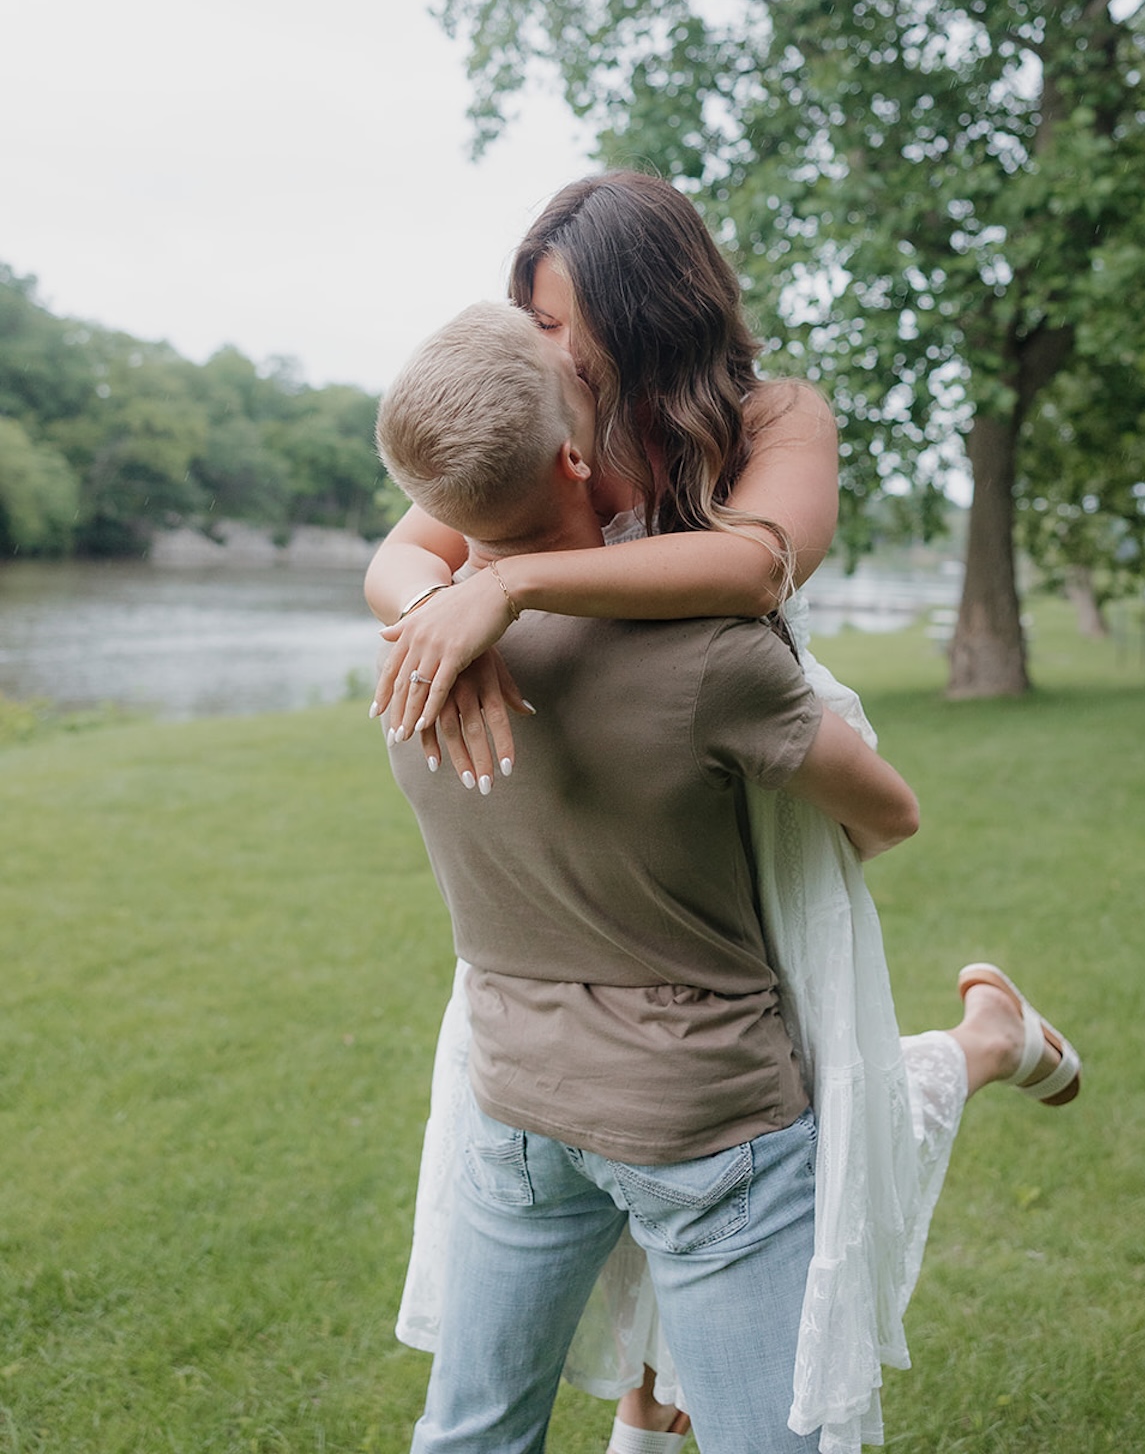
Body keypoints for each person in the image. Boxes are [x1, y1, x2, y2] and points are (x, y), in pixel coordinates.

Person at [367, 171, 1080, 1452]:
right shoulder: (546, 426)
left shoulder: (771, 417)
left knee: (823, 1112)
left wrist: (513, 587)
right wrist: (445, 612)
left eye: (562, 323)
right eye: (528, 319)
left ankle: (983, 1043)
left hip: (758, 770)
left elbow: (756, 565)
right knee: (658, 1155)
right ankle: (653, 1409)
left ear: (647, 315)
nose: (544, 349)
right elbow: (410, 547)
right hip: (631, 822)